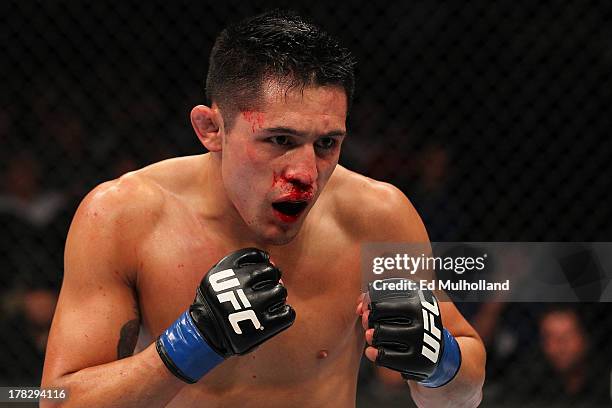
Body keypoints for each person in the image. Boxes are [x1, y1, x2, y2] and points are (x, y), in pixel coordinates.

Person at [41, 10, 485, 407]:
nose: (305, 173)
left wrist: (441, 362)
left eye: (327, 144)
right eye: (280, 140)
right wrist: (187, 345)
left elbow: (462, 397)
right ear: (211, 128)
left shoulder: (377, 217)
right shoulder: (123, 217)